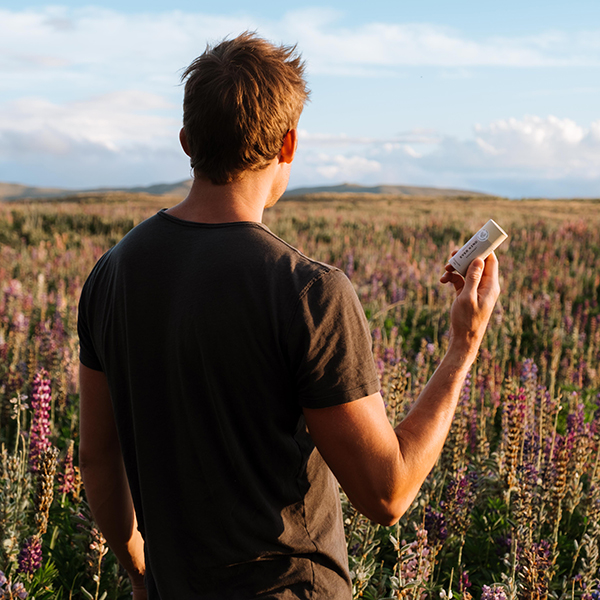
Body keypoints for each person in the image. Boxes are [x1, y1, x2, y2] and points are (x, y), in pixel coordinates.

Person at [78, 32, 500, 600]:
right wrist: (463, 346)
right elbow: (387, 493)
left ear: (186, 141)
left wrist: (141, 571)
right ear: (289, 144)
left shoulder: (111, 274)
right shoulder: (308, 292)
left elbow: (98, 459)